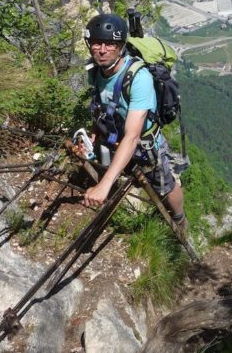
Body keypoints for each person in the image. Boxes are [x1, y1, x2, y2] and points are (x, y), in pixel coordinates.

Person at [74, 13, 186, 230]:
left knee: (165, 187)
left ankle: (180, 219)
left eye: (110, 44)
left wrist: (104, 185)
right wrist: (93, 134)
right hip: (113, 136)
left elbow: (133, 136)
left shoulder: (139, 78)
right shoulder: (96, 70)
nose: (102, 50)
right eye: (97, 43)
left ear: (121, 46)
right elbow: (101, 104)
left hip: (145, 146)